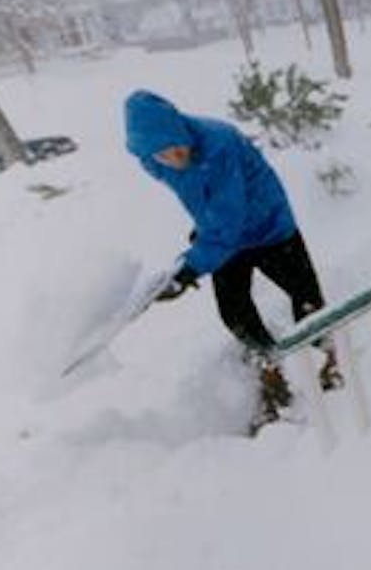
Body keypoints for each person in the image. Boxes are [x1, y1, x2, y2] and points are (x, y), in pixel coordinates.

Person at [124, 89, 340, 431]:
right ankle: (270, 368)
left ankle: (326, 359)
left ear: (181, 130)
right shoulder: (153, 162)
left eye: (176, 147)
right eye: (163, 154)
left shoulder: (218, 145)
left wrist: (192, 266)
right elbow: (204, 200)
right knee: (234, 310)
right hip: (224, 236)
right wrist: (203, 232)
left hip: (269, 226)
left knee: (306, 296)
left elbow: (228, 220)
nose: (174, 157)